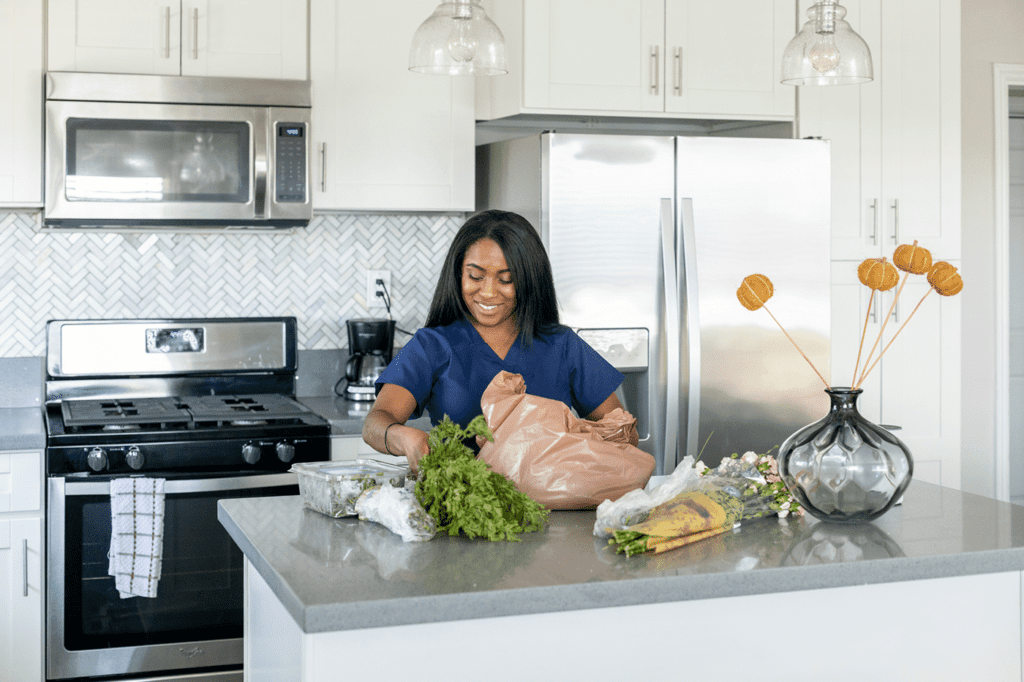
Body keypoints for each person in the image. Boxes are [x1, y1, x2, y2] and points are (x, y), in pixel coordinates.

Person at [362, 209, 632, 471]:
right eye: (475, 276)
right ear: (458, 274)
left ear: (529, 281)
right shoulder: (431, 345)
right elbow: (374, 424)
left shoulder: (563, 346)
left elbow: (625, 435)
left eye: (506, 279)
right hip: (463, 508)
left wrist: (569, 436)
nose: (488, 292)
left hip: (555, 511)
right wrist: (403, 438)